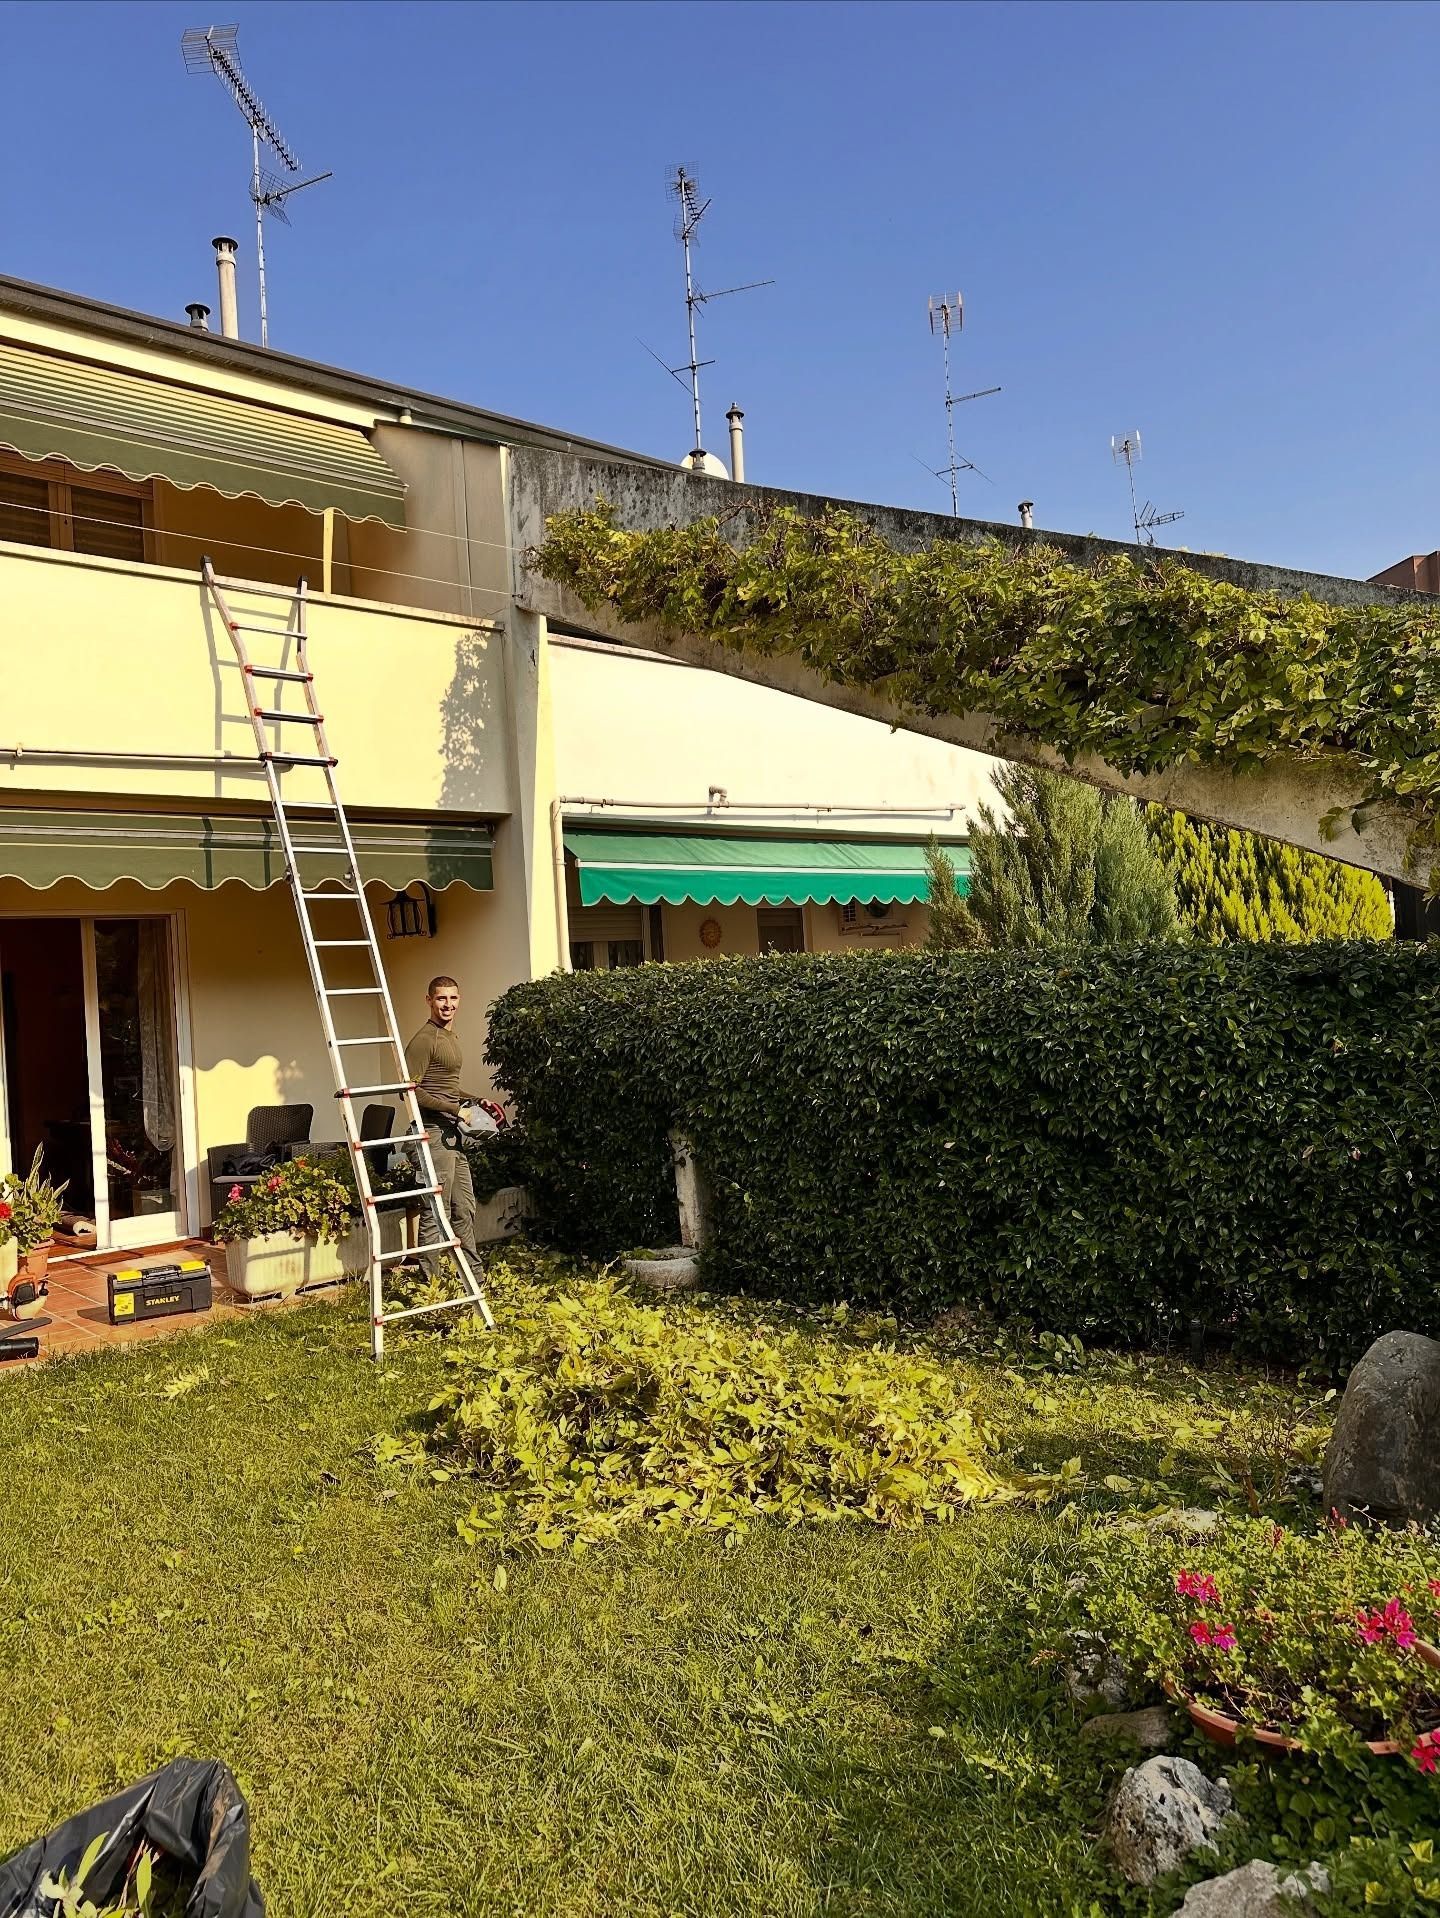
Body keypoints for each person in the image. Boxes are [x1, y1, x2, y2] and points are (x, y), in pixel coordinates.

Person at [404, 975, 480, 1260]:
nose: (448, 1005)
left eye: (453, 998)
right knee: (437, 1210)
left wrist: (475, 1099)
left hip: (451, 1134)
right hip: (431, 1134)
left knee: (464, 1208)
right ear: (429, 1000)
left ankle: (472, 1280)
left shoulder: (449, 1036)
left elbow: (446, 1086)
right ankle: (430, 1288)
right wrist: (456, 1109)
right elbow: (410, 1092)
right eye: (441, 998)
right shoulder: (425, 1040)